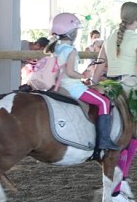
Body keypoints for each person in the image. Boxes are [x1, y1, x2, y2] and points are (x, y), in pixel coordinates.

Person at [91, 1, 137, 202]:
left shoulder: (109, 39)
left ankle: (120, 182)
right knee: (135, 135)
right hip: (130, 86)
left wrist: (94, 85)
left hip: (109, 85)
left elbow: (98, 69)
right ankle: (120, 182)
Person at [46, 13, 119, 151]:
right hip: (73, 88)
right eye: (75, 31)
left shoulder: (56, 48)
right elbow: (70, 72)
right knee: (104, 102)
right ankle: (104, 140)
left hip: (60, 86)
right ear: (70, 33)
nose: (76, 34)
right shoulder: (71, 50)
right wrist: (83, 75)